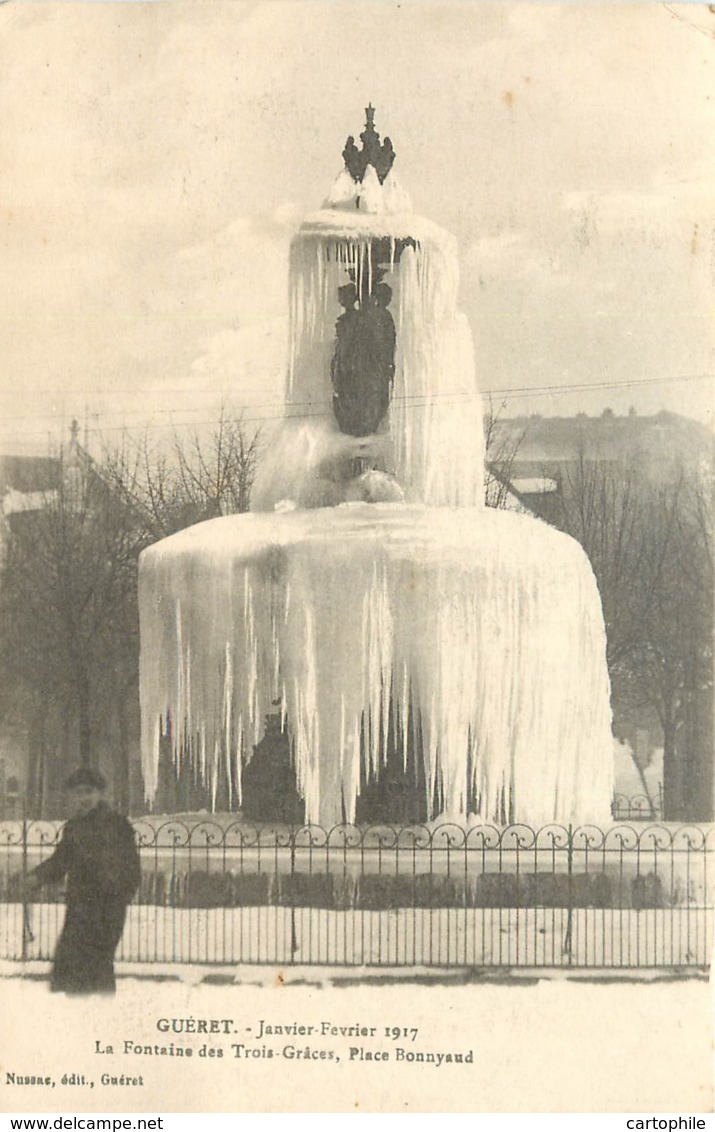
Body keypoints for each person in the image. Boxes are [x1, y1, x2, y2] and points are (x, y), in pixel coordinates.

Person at [25, 767, 140, 995]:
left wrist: (119, 898)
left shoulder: (117, 825)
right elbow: (60, 861)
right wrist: (36, 876)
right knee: (72, 968)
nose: (83, 798)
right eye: (78, 793)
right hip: (79, 907)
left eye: (88, 791)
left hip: (108, 908)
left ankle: (102, 1017)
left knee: (98, 965)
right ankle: (78, 1019)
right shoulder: (74, 827)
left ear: (100, 794)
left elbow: (132, 869)